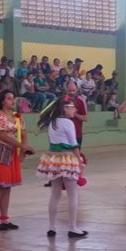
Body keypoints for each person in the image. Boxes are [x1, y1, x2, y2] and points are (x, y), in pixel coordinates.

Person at [0, 90, 35, 230]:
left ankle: (4, 218)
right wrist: (21, 146)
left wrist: (24, 149)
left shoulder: (17, 116)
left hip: (11, 151)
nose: (12, 101)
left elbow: (24, 133)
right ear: (2, 101)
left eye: (12, 98)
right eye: (9, 98)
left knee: (7, 186)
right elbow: (2, 135)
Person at [37, 95, 87, 238]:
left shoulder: (52, 122)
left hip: (53, 158)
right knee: (72, 194)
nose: (75, 110)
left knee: (55, 194)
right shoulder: (68, 123)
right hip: (67, 158)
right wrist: (79, 161)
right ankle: (73, 227)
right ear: (65, 108)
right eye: (72, 107)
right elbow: (73, 143)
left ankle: (51, 227)